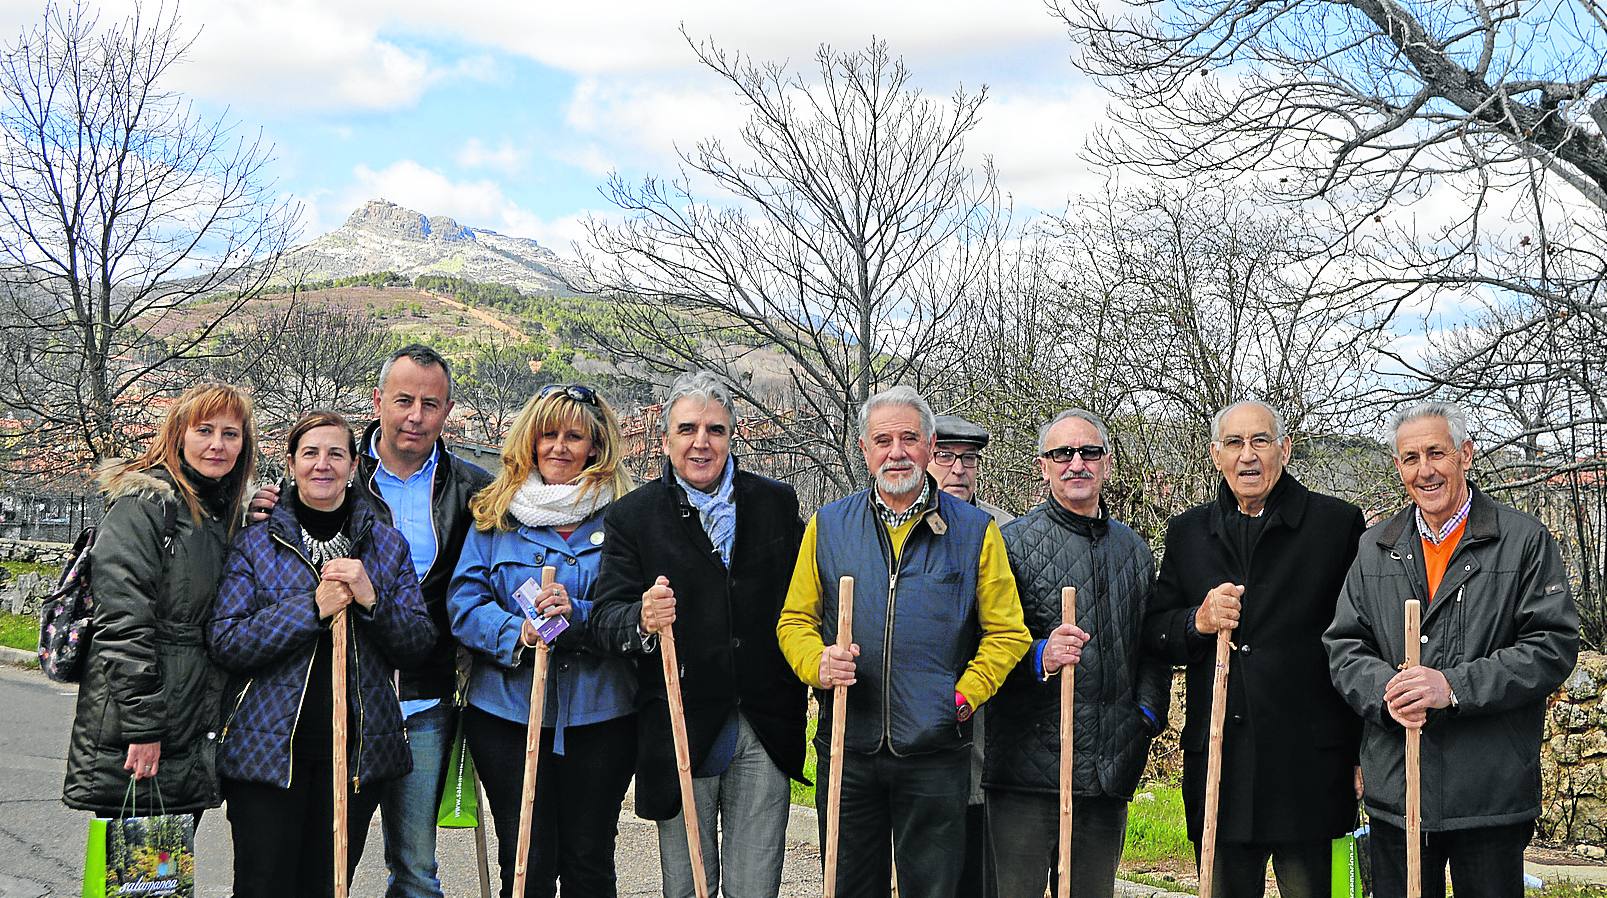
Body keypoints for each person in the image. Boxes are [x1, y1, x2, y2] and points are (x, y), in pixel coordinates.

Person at [250, 344, 492, 898]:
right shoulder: (333, 473)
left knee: (416, 864)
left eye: (431, 404)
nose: (416, 415)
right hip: (343, 697)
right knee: (331, 857)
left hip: (425, 699)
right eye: (404, 399)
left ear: (448, 411)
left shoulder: (473, 490)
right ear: (378, 400)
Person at [776, 385, 1032, 898]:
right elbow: (794, 620)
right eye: (883, 440)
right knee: (848, 886)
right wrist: (818, 663)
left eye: (909, 439)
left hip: (935, 751)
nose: (897, 452)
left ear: (929, 445)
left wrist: (961, 698)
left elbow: (1007, 633)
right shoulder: (828, 526)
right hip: (848, 748)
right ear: (865, 450)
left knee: (934, 889)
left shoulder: (975, 531)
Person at [1325, 402, 1579, 898]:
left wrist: (1452, 687)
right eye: (1410, 457)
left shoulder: (1522, 541)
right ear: (1397, 466)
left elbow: (1552, 645)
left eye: (1436, 453)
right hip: (1399, 789)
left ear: (1465, 454)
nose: (1425, 470)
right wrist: (1387, 692)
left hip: (1488, 791)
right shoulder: (1375, 545)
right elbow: (1344, 645)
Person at [591, 371, 808, 898]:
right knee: (688, 884)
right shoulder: (633, 517)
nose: (701, 442)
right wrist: (641, 619)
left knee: (755, 885)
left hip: (764, 718)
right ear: (665, 440)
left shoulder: (775, 503)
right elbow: (604, 619)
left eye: (715, 429)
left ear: (732, 435)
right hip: (682, 720)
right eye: (687, 429)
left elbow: (806, 598)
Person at [1144, 399, 1365, 898]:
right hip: (1223, 766)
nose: (1249, 456)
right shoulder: (1188, 533)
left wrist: (1361, 752)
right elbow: (1156, 631)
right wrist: (1196, 622)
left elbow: (1361, 641)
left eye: (1261, 441)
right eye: (1235, 443)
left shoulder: (1335, 526)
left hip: (1309, 767)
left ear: (1284, 450)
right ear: (1215, 455)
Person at [210, 410, 436, 898]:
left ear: (354, 465)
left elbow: (418, 644)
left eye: (336, 453)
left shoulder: (387, 547)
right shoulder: (255, 544)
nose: (323, 464)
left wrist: (371, 598)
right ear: (291, 464)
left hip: (354, 755)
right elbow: (227, 641)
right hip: (265, 755)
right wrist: (311, 609)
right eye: (310, 453)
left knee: (326, 887)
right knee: (262, 886)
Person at [447, 384, 638, 898]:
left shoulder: (625, 517)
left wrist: (581, 615)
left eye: (574, 436)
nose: (559, 447)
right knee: (527, 859)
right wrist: (520, 631)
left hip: (601, 716)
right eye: (548, 434)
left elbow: (636, 610)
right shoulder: (495, 515)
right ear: (529, 441)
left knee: (590, 860)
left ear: (596, 446)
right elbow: (463, 605)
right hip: (507, 714)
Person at [987, 409, 1169, 898]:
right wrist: (1039, 656)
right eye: (1062, 453)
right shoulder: (1010, 544)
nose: (1076, 463)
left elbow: (1151, 645)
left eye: (1089, 452)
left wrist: (1147, 714)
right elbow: (982, 643)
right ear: (1043, 467)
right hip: (1027, 770)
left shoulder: (1134, 550)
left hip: (1107, 771)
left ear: (1107, 464)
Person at [63, 383, 256, 819]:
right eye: (204, 430)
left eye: (231, 434)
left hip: (192, 723)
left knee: (165, 872)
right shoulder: (145, 506)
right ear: (178, 434)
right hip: (144, 727)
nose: (217, 444)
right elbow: (122, 624)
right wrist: (143, 727)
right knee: (138, 876)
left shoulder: (219, 513)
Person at [926, 413, 1012, 897]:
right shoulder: (902, 523)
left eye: (968, 459)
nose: (958, 469)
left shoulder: (1002, 529)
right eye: (946, 457)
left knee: (980, 853)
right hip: (920, 712)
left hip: (985, 711)